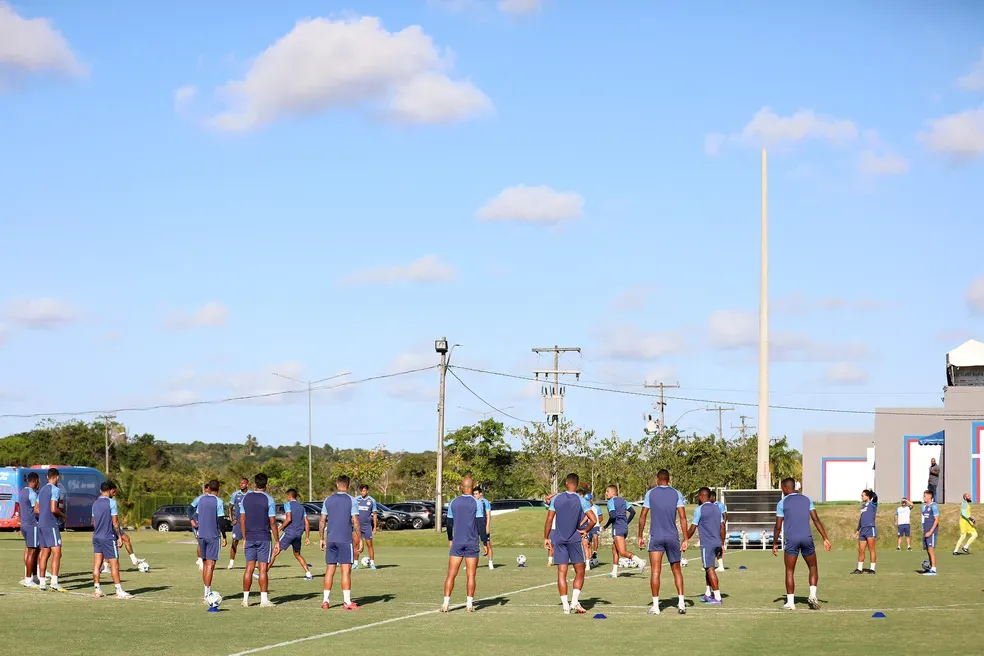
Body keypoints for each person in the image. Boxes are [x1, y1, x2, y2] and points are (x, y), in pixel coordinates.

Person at [772, 477, 831, 610]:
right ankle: (812, 595)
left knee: (789, 570)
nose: (782, 490)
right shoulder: (807, 499)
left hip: (792, 540)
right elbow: (816, 519)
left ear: (786, 488)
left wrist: (775, 543)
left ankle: (790, 603)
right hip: (807, 538)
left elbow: (777, 526)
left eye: (782, 488)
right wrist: (825, 538)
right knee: (813, 567)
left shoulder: (782, 503)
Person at [637, 469, 689, 615]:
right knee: (677, 570)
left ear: (657, 479)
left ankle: (656, 606)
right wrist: (685, 538)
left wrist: (640, 536)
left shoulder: (650, 494)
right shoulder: (677, 493)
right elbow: (683, 517)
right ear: (669, 479)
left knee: (655, 571)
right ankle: (681, 603)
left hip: (656, 537)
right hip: (673, 537)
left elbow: (642, 517)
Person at [545, 473, 596, 614]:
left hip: (559, 539)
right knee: (580, 571)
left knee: (562, 573)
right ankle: (574, 601)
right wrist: (585, 530)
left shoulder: (556, 499)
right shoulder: (581, 500)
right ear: (577, 484)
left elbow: (549, 520)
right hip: (574, 539)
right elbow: (593, 520)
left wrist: (546, 537)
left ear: (566, 483)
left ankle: (565, 606)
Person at [320, 475, 362, 610]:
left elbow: (322, 520)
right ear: (348, 486)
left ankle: (325, 601)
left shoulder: (328, 499)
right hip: (344, 540)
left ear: (337, 485)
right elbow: (355, 521)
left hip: (331, 539)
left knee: (329, 571)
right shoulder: (352, 500)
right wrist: (360, 539)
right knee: (345, 572)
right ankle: (347, 602)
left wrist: (321, 538)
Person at [239, 472, 280, 607]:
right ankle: (263, 600)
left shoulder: (246, 498)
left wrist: (244, 537)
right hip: (264, 537)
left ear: (254, 484)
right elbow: (273, 522)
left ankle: (245, 600)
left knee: (248, 569)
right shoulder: (269, 499)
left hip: (249, 537)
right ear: (266, 485)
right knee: (262, 569)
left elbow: (242, 520)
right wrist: (277, 541)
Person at [442, 477, 481, 612]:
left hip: (457, 542)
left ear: (461, 487)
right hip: (472, 542)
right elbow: (480, 523)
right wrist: (485, 541)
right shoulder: (477, 503)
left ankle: (445, 603)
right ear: (472, 487)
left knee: (451, 574)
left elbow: (449, 523)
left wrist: (450, 539)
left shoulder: (453, 502)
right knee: (471, 575)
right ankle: (469, 605)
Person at [91, 481, 134, 599]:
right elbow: (115, 522)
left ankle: (97, 590)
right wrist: (119, 537)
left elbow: (93, 522)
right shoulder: (112, 503)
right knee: (115, 565)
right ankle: (119, 591)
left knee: (97, 565)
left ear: (100, 490)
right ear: (110, 490)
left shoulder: (94, 504)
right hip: (108, 537)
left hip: (96, 536)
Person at [686, 487, 725, 605]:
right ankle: (708, 593)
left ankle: (717, 597)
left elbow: (693, 528)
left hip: (707, 544)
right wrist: (722, 543)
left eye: (698, 496)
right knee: (708, 568)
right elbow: (722, 527)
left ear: (702, 496)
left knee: (710, 569)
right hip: (717, 542)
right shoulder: (717, 508)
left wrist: (685, 540)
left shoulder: (699, 510)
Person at [192, 479, 224, 603]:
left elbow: (196, 515)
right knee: (210, 565)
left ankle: (205, 593)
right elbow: (221, 520)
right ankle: (207, 595)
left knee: (205, 565)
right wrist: (225, 536)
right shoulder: (219, 501)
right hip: (213, 536)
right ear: (218, 489)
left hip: (201, 535)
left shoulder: (201, 499)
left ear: (209, 488)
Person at [270, 488, 313, 579]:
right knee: (297, 554)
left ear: (289, 496)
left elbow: (289, 519)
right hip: (298, 534)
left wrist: (279, 528)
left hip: (289, 533)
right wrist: (307, 537)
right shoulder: (302, 507)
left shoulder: (288, 504)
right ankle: (308, 574)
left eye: (287, 496)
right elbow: (307, 523)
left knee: (275, 551)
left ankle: (263, 573)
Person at [603, 484, 644, 578]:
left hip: (617, 528)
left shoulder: (611, 502)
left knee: (622, 552)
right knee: (615, 549)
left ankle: (640, 561)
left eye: (607, 491)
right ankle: (614, 572)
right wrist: (626, 522)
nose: (606, 493)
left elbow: (612, 516)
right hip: (624, 528)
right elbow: (633, 512)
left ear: (613, 492)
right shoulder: (623, 501)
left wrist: (605, 526)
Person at [37, 468, 67, 592]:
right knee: (57, 552)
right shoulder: (55, 489)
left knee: (44, 553)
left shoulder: (42, 490)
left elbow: (36, 509)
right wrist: (63, 516)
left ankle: (42, 583)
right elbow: (54, 509)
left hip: (41, 524)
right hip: (50, 524)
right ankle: (54, 582)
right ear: (57, 477)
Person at [18, 471, 41, 588]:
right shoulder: (32, 494)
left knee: (31, 550)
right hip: (32, 525)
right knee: (32, 551)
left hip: (24, 525)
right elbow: (36, 510)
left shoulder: (22, 492)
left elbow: (21, 509)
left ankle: (33, 576)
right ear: (35, 480)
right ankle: (28, 578)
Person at [853, 489, 878, 575]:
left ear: (868, 496)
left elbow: (875, 497)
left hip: (870, 528)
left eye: (863, 495)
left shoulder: (873, 504)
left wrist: (871, 491)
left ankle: (872, 569)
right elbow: (861, 518)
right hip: (863, 529)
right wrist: (857, 529)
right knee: (861, 550)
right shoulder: (863, 506)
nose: (861, 497)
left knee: (871, 549)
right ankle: (859, 569)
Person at [354, 484, 378, 570]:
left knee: (369, 545)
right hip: (357, 527)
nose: (362, 492)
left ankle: (372, 563)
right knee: (356, 544)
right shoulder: (356, 500)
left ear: (367, 491)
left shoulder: (372, 501)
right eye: (361, 491)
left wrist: (375, 527)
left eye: (364, 491)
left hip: (367, 526)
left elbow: (375, 514)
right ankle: (355, 563)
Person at [228, 477, 249, 569]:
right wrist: (231, 519)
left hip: (248, 523)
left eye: (243, 483)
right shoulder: (235, 494)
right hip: (238, 523)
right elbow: (230, 508)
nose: (241, 485)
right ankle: (231, 563)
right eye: (240, 483)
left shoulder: (251, 494)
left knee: (249, 543)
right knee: (234, 542)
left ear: (247, 484)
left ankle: (250, 562)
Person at [190, 482, 209, 571]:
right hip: (197, 521)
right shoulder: (199, 499)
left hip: (207, 523)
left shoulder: (214, 499)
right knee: (200, 541)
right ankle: (201, 561)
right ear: (205, 490)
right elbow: (189, 510)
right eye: (207, 491)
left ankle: (203, 560)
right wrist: (192, 520)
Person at [473, 487, 494, 570]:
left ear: (480, 493)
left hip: (482, 522)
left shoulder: (485, 502)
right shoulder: (472, 501)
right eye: (474, 494)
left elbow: (488, 515)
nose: (475, 495)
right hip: (474, 522)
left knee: (488, 543)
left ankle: (490, 562)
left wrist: (487, 526)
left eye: (476, 494)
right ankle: (472, 564)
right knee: (472, 545)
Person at [921, 489, 940, 575]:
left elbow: (936, 520)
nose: (923, 497)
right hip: (925, 531)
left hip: (931, 532)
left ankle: (934, 569)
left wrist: (931, 531)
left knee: (931, 550)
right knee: (928, 551)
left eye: (924, 496)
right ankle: (930, 567)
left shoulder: (934, 506)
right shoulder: (924, 506)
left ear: (929, 496)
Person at [709, 490, 728, 572]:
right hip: (711, 529)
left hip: (719, 528)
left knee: (719, 546)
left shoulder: (719, 505)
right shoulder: (709, 505)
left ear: (713, 497)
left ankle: (721, 566)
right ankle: (710, 565)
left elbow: (725, 515)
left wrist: (723, 524)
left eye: (709, 497)